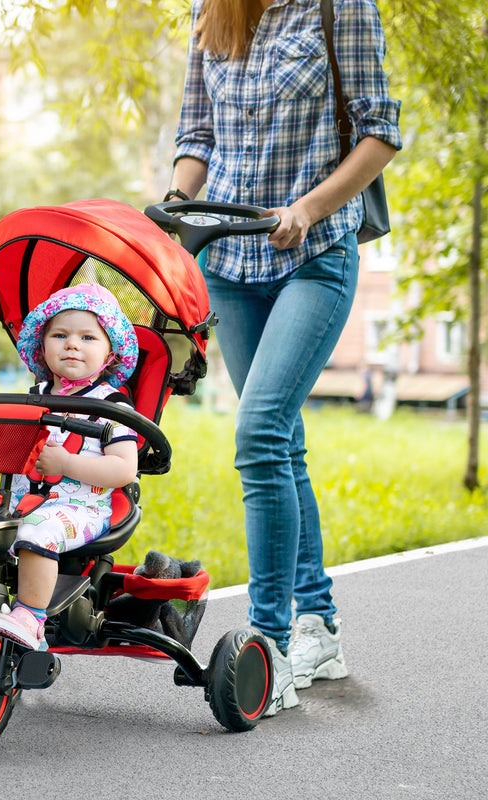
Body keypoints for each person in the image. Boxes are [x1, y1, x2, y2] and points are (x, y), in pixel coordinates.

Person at [165, 0, 402, 715]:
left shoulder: (341, 7)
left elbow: (380, 131)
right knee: (282, 442)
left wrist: (312, 205)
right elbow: (197, 132)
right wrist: (177, 200)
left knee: (260, 431)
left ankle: (267, 650)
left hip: (312, 255)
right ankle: (317, 625)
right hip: (229, 258)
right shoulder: (214, 12)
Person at [0, 283, 140, 650]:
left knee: (37, 532)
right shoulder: (31, 398)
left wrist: (66, 462)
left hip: (81, 507)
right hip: (20, 502)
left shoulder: (112, 406)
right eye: (60, 335)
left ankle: (30, 616)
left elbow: (124, 469)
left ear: (111, 353)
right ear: (42, 344)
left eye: (88, 337)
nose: (72, 344)